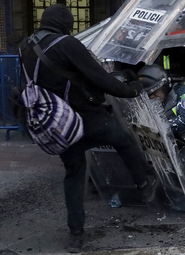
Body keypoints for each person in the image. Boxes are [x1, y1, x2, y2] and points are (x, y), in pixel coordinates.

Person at [19, 4, 159, 253]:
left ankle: (76, 234)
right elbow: (100, 78)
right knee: (123, 140)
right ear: (66, 24)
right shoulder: (67, 44)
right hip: (87, 119)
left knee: (73, 174)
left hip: (58, 125)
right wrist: (131, 90)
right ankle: (144, 182)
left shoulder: (25, 47)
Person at [137, 64, 185, 220]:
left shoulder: (183, 92)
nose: (151, 97)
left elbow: (184, 120)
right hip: (173, 142)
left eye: (153, 93)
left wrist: (159, 130)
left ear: (163, 86)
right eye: (148, 94)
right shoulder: (154, 98)